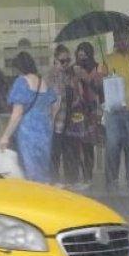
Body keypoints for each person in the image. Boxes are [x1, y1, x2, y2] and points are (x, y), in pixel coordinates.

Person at [0, 51, 58, 183]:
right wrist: (50, 120)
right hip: (45, 130)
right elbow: (54, 104)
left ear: (19, 68)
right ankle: (43, 194)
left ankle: (33, 197)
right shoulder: (43, 82)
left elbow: (17, 114)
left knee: (30, 170)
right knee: (42, 167)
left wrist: (5, 136)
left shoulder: (21, 82)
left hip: (28, 131)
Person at [100, 26, 129, 190]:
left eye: (124, 38)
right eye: (118, 39)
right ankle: (112, 181)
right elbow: (100, 83)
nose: (121, 42)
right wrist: (102, 75)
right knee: (113, 144)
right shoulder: (107, 60)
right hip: (113, 111)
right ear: (114, 40)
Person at [60, 42, 102, 187]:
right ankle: (75, 176)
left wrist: (86, 78)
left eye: (85, 53)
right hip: (75, 112)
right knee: (74, 145)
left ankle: (88, 177)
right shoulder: (72, 69)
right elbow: (66, 87)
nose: (82, 56)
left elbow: (99, 90)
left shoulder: (97, 68)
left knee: (88, 145)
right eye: (79, 53)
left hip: (90, 112)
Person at [47, 44, 75, 182]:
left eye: (68, 61)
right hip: (56, 120)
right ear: (55, 61)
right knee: (55, 152)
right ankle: (53, 180)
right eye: (62, 61)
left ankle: (67, 179)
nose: (65, 64)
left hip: (67, 119)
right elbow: (53, 97)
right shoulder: (51, 76)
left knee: (68, 152)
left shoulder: (69, 75)